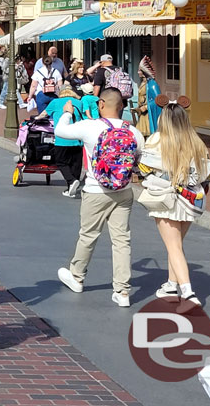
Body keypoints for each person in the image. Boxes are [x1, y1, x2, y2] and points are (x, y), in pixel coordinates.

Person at [54, 88, 144, 307]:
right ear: (121, 107)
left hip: (96, 190)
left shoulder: (91, 127)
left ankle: (77, 276)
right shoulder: (134, 132)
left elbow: (60, 131)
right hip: (122, 192)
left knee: (88, 235)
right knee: (122, 240)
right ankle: (122, 291)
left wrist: (67, 111)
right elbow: (139, 159)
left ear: (102, 104)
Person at [138, 95, 210, 305]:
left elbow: (144, 169)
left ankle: (188, 293)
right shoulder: (196, 141)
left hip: (165, 199)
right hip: (190, 199)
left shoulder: (155, 140)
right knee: (177, 245)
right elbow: (208, 173)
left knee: (174, 247)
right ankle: (171, 285)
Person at [38, 86, 86, 199]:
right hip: (77, 138)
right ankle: (71, 188)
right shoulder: (79, 102)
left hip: (62, 138)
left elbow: (44, 114)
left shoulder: (55, 102)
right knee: (76, 163)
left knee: (61, 162)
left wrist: (37, 118)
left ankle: (71, 181)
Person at [135, 56, 162, 137]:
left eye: (139, 70)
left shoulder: (152, 84)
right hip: (143, 115)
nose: (138, 72)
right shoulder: (143, 83)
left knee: (148, 136)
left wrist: (146, 107)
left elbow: (158, 100)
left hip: (148, 115)